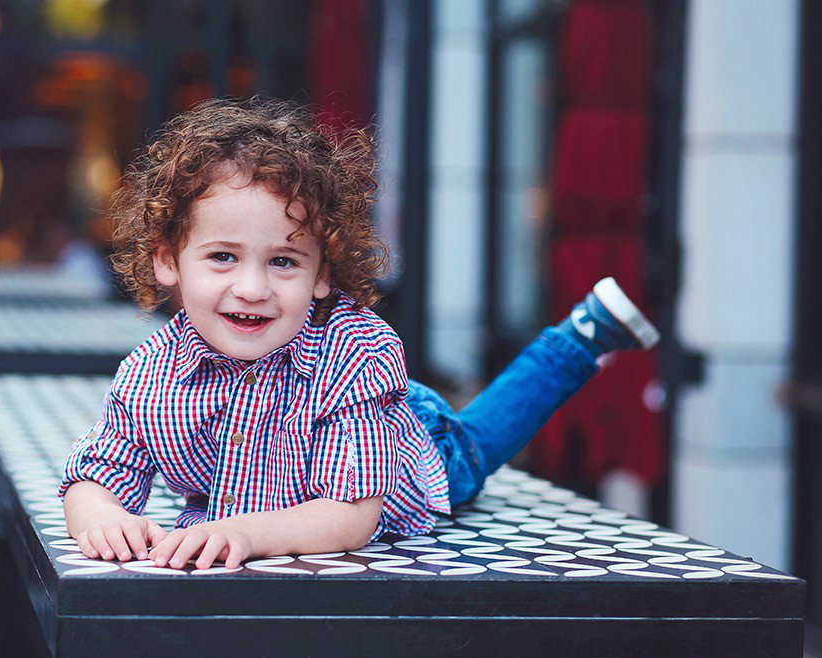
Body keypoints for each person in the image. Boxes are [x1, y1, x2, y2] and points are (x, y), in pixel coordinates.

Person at [59, 96, 660, 570]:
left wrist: (242, 531)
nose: (252, 287)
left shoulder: (355, 355)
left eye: (284, 262)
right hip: (334, 434)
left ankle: (580, 337)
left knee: (477, 444)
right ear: (168, 260)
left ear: (322, 275)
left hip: (407, 451)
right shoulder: (150, 375)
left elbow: (352, 518)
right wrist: (102, 518)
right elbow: (94, 473)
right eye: (222, 257)